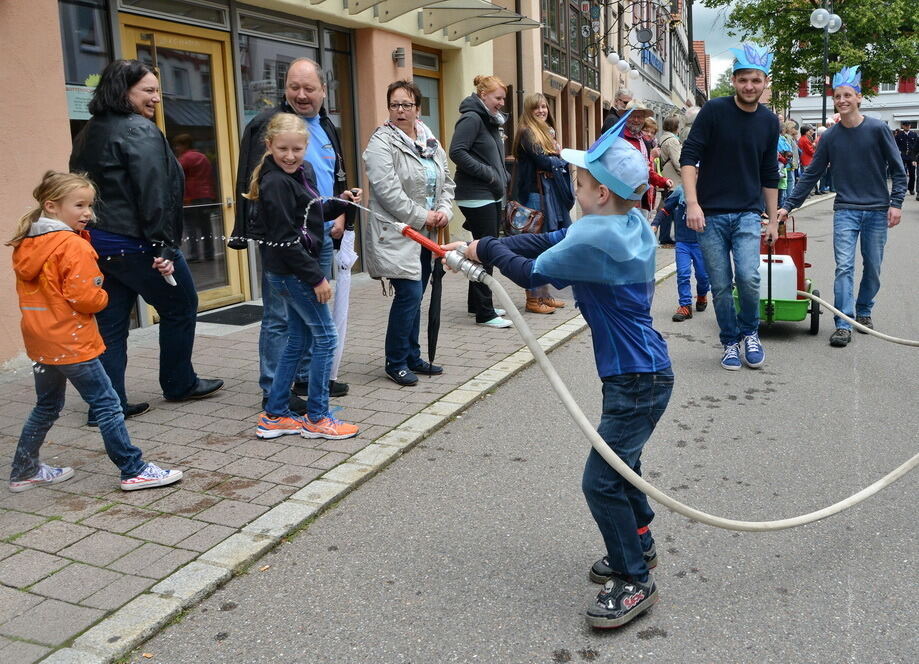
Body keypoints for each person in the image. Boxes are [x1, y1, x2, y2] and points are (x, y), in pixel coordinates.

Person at [442, 112, 672, 629]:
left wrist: (486, 249)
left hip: (637, 378)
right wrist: (475, 248)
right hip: (643, 372)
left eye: (583, 181)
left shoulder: (601, 239)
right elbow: (548, 241)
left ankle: (634, 579)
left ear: (603, 196)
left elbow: (531, 270)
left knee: (602, 481)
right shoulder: (621, 223)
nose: (575, 183)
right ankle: (640, 543)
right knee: (621, 465)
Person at [8, 171, 182, 492]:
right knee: (107, 404)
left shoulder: (27, 244)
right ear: (51, 206)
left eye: (89, 205)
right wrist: (104, 295)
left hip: (41, 341)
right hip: (72, 341)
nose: (87, 212)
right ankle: (133, 469)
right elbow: (86, 299)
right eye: (79, 205)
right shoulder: (72, 246)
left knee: (47, 406)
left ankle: (24, 469)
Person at [70, 60, 222, 426]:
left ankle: (106, 404)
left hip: (98, 242)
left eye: (158, 90)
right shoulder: (139, 130)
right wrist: (164, 247)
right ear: (124, 92)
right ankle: (179, 383)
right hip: (136, 242)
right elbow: (157, 193)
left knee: (111, 323)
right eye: (149, 91)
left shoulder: (89, 131)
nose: (157, 98)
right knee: (182, 304)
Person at [232, 58, 353, 414]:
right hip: (287, 243)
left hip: (321, 233)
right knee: (280, 316)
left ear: (323, 91)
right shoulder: (270, 127)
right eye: (294, 87)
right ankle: (274, 389)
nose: (301, 95)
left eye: (309, 88)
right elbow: (258, 189)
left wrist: (342, 209)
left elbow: (332, 176)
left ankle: (302, 378)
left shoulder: (327, 125)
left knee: (307, 314)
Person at [243, 113, 360, 440]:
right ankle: (318, 418)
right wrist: (316, 279)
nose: (290, 156)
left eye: (297, 149)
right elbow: (286, 241)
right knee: (325, 338)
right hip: (292, 274)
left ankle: (276, 414)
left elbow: (310, 212)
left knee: (299, 338)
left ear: (305, 148)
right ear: (269, 146)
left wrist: (340, 203)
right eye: (283, 149)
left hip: (295, 272)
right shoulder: (275, 183)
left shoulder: (299, 172)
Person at [778, 66, 906, 348]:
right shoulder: (831, 137)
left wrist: (896, 203)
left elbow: (899, 170)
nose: (843, 100)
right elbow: (811, 174)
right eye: (838, 96)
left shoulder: (878, 129)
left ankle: (864, 310)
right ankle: (843, 322)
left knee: (872, 266)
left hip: (876, 209)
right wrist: (788, 206)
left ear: (859, 98)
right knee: (844, 267)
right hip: (846, 209)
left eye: (848, 95)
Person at [679, 43, 781, 371]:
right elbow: (689, 156)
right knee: (721, 284)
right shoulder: (714, 111)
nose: (749, 86)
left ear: (765, 82)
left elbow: (770, 173)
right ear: (733, 81)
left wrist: (774, 221)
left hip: (749, 213)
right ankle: (729, 341)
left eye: (755, 80)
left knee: (749, 278)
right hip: (710, 215)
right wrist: (692, 204)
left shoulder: (769, 121)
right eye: (742, 80)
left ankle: (750, 332)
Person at [362, 80, 455, 387]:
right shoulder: (381, 144)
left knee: (417, 295)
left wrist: (443, 211)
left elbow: (446, 181)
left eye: (407, 105)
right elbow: (388, 193)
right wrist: (422, 215)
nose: (400, 111)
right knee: (409, 294)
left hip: (427, 234)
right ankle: (396, 360)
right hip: (398, 233)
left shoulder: (429, 139)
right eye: (394, 105)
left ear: (418, 108)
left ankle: (413, 355)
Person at [449, 74, 512, 328]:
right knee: (485, 251)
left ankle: (477, 304)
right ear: (483, 95)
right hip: (477, 194)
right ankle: (485, 313)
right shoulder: (472, 118)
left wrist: (502, 175)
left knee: (480, 249)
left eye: (503, 98)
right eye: (498, 98)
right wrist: (489, 175)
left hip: (487, 194)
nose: (501, 103)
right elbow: (457, 151)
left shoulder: (487, 119)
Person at [510, 92, 573, 314]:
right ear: (529, 110)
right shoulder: (527, 132)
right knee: (533, 247)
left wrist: (557, 157)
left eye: (544, 107)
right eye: (537, 107)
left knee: (546, 246)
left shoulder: (545, 132)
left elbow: (552, 160)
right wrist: (560, 157)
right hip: (534, 196)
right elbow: (544, 161)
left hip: (548, 195)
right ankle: (533, 300)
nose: (541, 111)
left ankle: (545, 296)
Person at [652, 186, 709, 321]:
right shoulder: (680, 191)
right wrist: (655, 224)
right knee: (683, 273)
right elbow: (665, 209)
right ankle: (685, 305)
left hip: (701, 242)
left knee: (703, 276)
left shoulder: (709, 189)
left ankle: (702, 295)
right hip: (682, 242)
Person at [620, 100, 672, 223]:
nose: (636, 120)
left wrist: (663, 181)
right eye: (633, 116)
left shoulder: (643, 141)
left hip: (642, 198)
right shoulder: (618, 137)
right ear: (626, 117)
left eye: (640, 117)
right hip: (622, 199)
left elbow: (646, 170)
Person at [172, 134, 217, 263]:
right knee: (206, 227)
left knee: (191, 227)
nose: (176, 148)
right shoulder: (203, 157)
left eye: (178, 145)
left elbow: (176, 176)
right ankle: (209, 253)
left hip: (190, 197)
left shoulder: (184, 159)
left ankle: (194, 254)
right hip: (206, 196)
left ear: (185, 145)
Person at [655, 115, 683, 245]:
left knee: (666, 208)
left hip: (666, 177)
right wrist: (685, 173)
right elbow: (677, 161)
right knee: (673, 209)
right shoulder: (672, 140)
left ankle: (664, 236)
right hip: (673, 180)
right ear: (676, 127)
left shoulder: (662, 138)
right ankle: (669, 237)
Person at [894, 121, 917, 195]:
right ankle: (901, 188)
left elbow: (916, 146)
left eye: (909, 125)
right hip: (902, 156)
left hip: (911, 157)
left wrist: (915, 157)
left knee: (912, 174)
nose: (908, 127)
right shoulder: (899, 135)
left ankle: (911, 189)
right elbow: (895, 145)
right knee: (901, 173)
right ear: (903, 126)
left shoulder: (914, 134)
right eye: (906, 125)